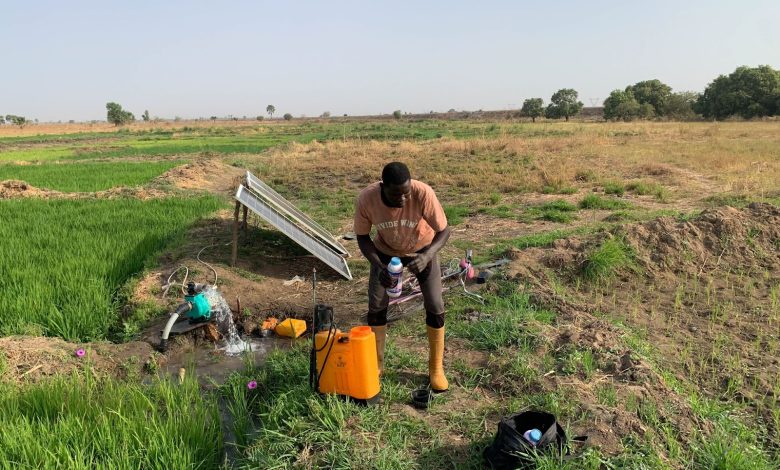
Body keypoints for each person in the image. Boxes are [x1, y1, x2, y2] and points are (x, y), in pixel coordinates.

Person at [353, 161, 451, 392]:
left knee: (435, 304)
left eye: (406, 194)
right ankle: (376, 364)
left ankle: (436, 368)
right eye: (397, 195)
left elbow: (444, 230)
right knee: (376, 305)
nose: (403, 200)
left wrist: (427, 256)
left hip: (421, 250)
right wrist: (378, 265)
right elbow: (362, 237)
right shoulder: (367, 199)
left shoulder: (422, 193)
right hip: (386, 252)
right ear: (382, 187)